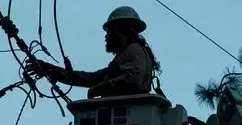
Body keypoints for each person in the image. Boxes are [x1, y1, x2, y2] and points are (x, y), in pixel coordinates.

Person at [26, 6, 160, 98]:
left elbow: (133, 79)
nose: (106, 36)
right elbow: (91, 78)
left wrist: (98, 89)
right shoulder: (125, 56)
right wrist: (50, 69)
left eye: (109, 31)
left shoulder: (134, 49)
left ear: (119, 30)